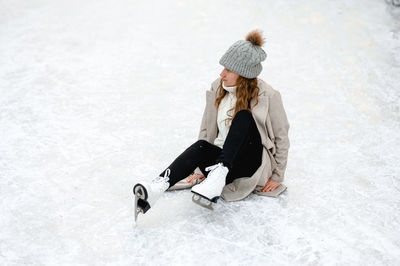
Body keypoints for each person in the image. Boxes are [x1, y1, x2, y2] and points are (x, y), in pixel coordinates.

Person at [133, 30, 290, 218]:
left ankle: (218, 175)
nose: (222, 73)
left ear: (243, 74)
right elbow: (207, 130)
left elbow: (282, 138)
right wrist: (200, 168)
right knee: (200, 147)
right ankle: (156, 189)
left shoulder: (268, 96)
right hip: (221, 164)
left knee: (243, 117)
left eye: (229, 70)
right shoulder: (218, 88)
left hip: (250, 163)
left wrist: (277, 176)